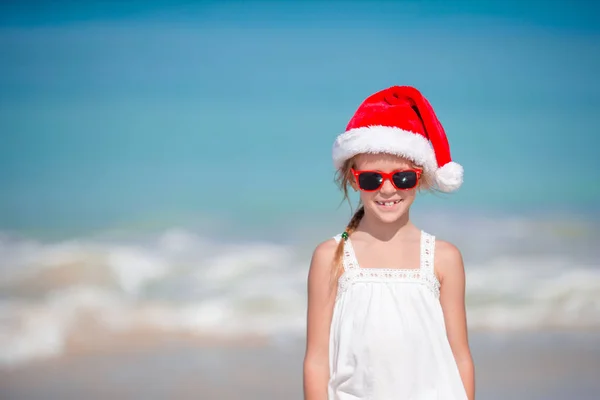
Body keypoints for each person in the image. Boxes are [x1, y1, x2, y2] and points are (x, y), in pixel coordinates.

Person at [303, 85, 475, 399]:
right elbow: (316, 360)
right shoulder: (330, 256)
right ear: (353, 178)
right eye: (372, 178)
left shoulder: (443, 258)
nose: (387, 190)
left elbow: (460, 356)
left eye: (402, 177)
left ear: (420, 177)